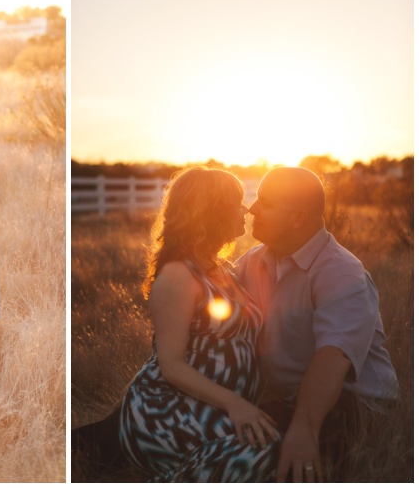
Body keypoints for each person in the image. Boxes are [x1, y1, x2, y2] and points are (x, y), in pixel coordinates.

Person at [234, 166, 399, 482]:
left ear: (297, 218)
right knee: (217, 423)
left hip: (354, 405)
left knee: (273, 453)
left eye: (265, 202)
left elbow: (331, 360)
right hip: (283, 399)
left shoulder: (341, 274)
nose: (252, 208)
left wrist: (303, 428)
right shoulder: (252, 261)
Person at [116, 166, 280, 482]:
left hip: (216, 405)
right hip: (164, 408)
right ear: (212, 211)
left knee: (273, 445)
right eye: (235, 202)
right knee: (264, 451)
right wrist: (236, 404)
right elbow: (171, 367)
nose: (245, 209)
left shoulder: (226, 270)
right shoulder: (178, 276)